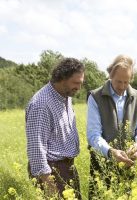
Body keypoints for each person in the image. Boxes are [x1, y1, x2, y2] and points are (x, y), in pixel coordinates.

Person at [87, 54, 137, 198]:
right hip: (101, 164)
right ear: (110, 75)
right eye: (118, 82)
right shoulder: (95, 97)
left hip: (128, 162)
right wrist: (110, 152)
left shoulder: (136, 96)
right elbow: (93, 134)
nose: (122, 87)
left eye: (126, 82)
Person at [25, 58, 84, 199]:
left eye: (81, 83)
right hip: (51, 171)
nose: (79, 88)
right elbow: (36, 149)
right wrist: (49, 184)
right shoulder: (41, 104)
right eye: (76, 83)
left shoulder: (65, 95)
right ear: (62, 78)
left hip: (67, 168)